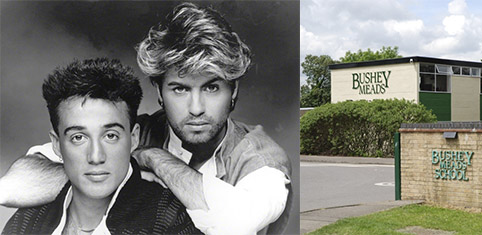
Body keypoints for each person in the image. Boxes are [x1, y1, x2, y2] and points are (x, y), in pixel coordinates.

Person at [0, 2, 291, 234]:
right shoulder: (130, 131)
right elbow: (13, 187)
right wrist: (101, 170)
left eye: (212, 87)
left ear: (234, 89)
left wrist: (151, 158)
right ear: (160, 92)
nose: (197, 108)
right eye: (180, 89)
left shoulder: (262, 159)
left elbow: (235, 224)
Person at [2, 58, 201, 234]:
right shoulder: (28, 220)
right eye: (79, 137)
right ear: (56, 144)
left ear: (133, 138)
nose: (96, 156)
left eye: (111, 136)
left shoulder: (169, 220)